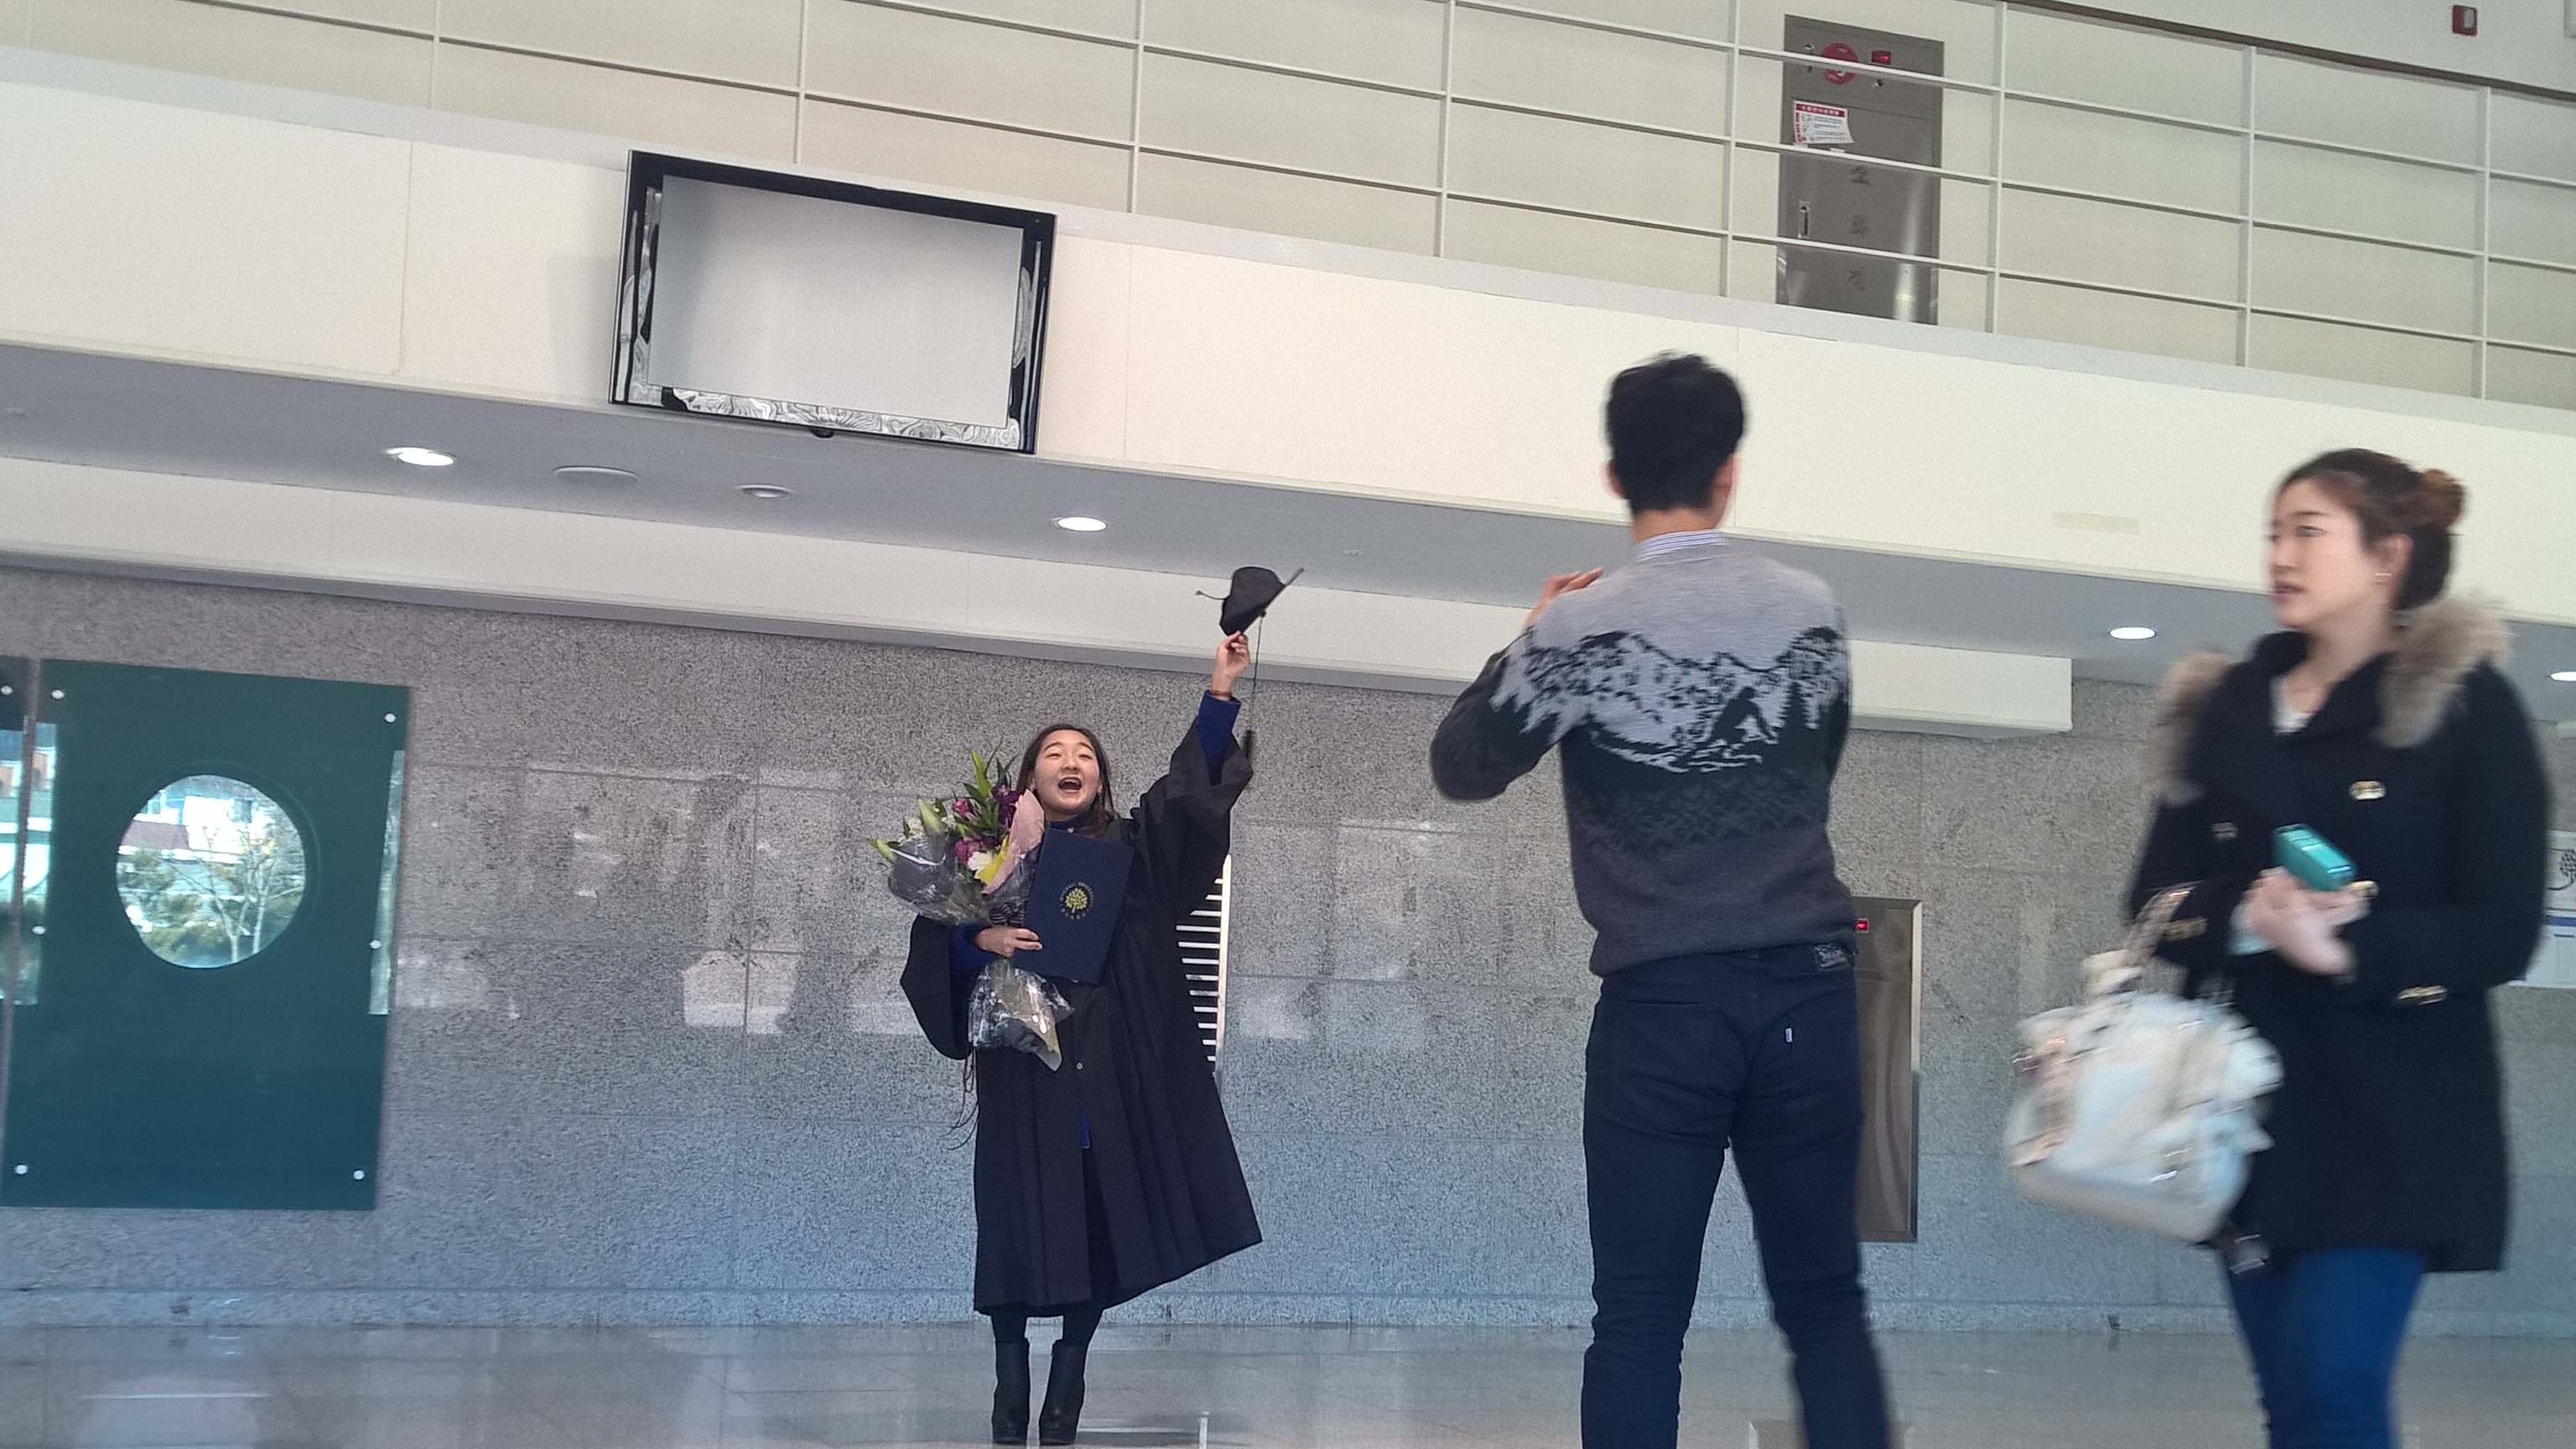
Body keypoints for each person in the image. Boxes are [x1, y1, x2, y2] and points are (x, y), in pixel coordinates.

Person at [1429, 353, 1891, 1449]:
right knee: (1826, 1305)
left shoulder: (1577, 627)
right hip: (1811, 993)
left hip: (1663, 1006)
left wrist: (1529, 634)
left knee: (1638, 1320)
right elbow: (1812, 765)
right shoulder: (1813, 610)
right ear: (1729, 473)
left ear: (1613, 475)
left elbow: (1462, 765)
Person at [2130, 450, 2547, 1449]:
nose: (2280, 555)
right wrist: (2248, 915)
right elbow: (2153, 899)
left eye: (2308, 532)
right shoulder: (2225, 708)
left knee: (2336, 1381)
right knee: (2290, 1397)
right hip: (2243, 1111)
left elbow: (2503, 926)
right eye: (2274, 533)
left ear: (2387, 555)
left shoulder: (2468, 707)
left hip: (2397, 1113)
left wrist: (2347, 948)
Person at [900, 635, 1264, 1446]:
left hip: (1105, 1072)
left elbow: (1187, 802)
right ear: (1030, 777)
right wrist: (980, 939)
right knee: (1014, 1218)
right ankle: (1010, 1377)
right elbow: (934, 942)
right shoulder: (986, 859)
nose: (1072, 762)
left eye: (1086, 755)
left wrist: (1218, 694)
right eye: (1055, 754)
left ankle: (1069, 1378)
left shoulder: (1129, 851)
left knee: (1099, 1223)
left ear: (1099, 777)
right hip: (1024, 1074)